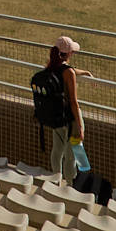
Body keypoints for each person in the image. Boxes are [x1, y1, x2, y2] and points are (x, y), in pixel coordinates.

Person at [38, 36, 85, 183]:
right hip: (70, 119)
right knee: (74, 153)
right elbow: (73, 102)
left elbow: (67, 70)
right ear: (69, 53)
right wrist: (80, 125)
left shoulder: (50, 65)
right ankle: (72, 185)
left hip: (56, 116)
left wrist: (83, 72)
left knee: (57, 149)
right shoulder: (68, 72)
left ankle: (55, 180)